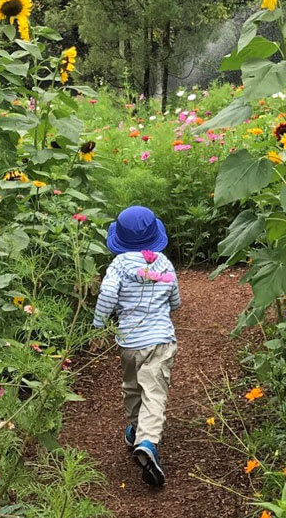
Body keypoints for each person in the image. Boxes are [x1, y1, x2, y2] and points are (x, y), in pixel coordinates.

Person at [93, 205, 180, 487]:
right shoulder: (164, 263)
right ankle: (147, 440)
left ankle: (135, 429)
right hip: (159, 340)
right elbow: (175, 300)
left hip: (129, 342)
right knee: (154, 390)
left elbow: (107, 295)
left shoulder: (118, 267)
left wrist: (98, 324)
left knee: (132, 387)